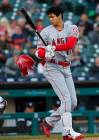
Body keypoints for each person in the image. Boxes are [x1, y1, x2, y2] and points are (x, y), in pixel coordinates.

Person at [35, 6, 84, 140]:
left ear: (60, 15)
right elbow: (37, 53)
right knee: (66, 99)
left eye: (53, 16)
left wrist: (54, 47)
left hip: (66, 67)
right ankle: (67, 133)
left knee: (73, 102)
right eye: (49, 17)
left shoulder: (71, 28)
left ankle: (48, 122)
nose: (50, 19)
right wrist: (45, 53)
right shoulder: (45, 32)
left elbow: (71, 44)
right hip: (52, 67)